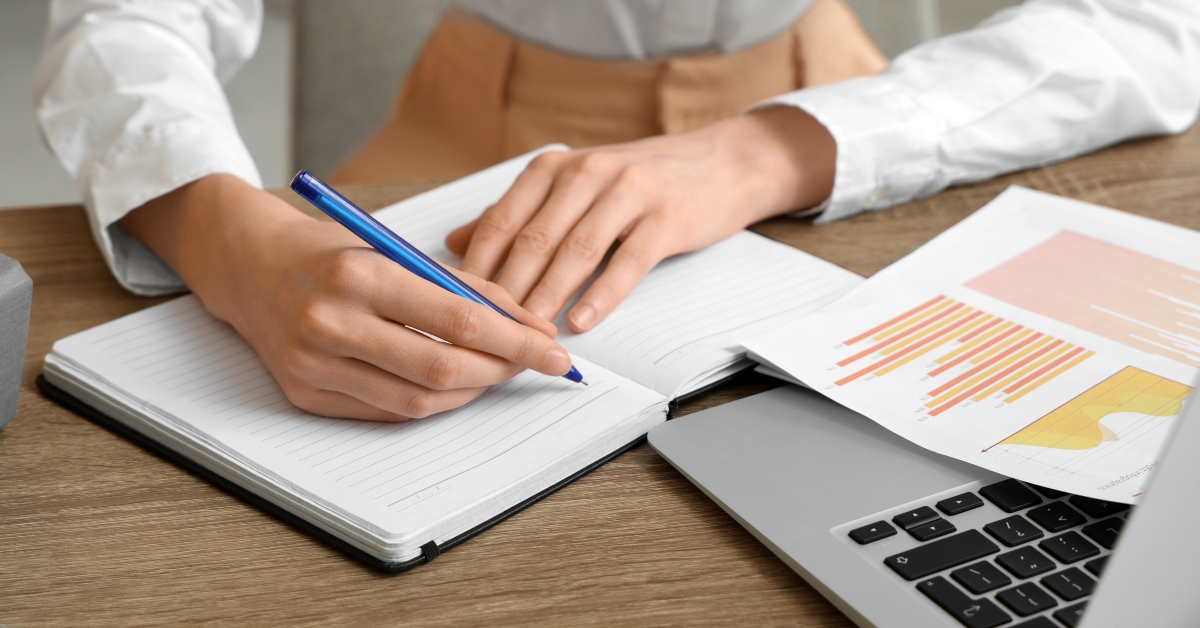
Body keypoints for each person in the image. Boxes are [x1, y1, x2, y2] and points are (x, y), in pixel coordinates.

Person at [34, 1, 1200, 423]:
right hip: (469, 142)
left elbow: (1159, 26)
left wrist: (773, 145)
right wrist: (234, 240)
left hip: (836, 123)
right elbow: (119, 20)